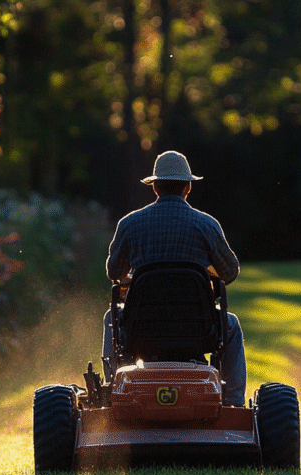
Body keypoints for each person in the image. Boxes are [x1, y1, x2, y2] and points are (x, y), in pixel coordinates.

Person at [102, 150, 247, 407]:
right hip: (197, 330)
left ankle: (115, 392)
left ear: (155, 186)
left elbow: (114, 272)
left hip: (141, 330)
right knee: (232, 325)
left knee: (110, 318)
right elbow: (230, 272)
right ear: (187, 187)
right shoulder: (206, 225)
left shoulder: (129, 224)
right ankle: (233, 403)